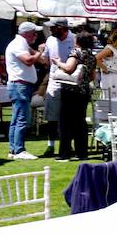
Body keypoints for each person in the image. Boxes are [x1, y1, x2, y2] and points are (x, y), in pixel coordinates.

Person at [4, 22, 48, 160]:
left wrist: (40, 53)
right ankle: (19, 150)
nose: (36, 36)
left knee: (16, 118)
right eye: (35, 33)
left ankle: (13, 149)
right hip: (20, 86)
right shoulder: (18, 44)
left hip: (20, 85)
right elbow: (28, 61)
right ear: (28, 33)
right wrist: (40, 51)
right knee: (23, 119)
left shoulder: (22, 44)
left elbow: (40, 60)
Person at [52, 33, 96, 161]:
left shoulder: (76, 52)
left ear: (78, 41)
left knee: (65, 123)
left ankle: (64, 153)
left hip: (70, 91)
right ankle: (81, 152)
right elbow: (92, 76)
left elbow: (69, 68)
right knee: (80, 123)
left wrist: (58, 62)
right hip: (83, 91)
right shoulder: (91, 56)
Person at [39, 19, 75, 156]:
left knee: (68, 116)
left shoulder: (73, 39)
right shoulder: (50, 40)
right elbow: (45, 61)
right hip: (54, 81)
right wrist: (39, 54)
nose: (51, 30)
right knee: (52, 116)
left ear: (61, 28)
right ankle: (51, 145)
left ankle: (67, 144)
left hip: (70, 82)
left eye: (53, 28)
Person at [96, 29, 117, 101]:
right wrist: (104, 68)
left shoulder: (116, 49)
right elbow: (96, 58)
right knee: (112, 98)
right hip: (111, 77)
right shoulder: (109, 49)